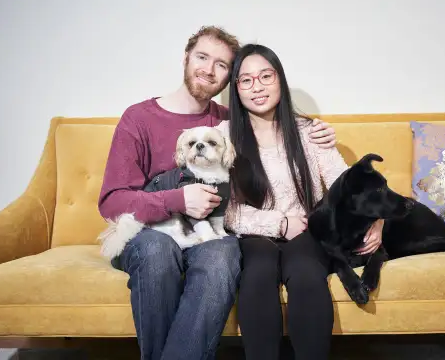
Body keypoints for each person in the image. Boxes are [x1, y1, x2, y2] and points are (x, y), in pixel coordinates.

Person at [97, 26, 338, 360]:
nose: (209, 70)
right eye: (202, 57)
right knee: (156, 253)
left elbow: (273, 129)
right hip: (151, 232)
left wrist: (318, 130)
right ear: (186, 58)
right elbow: (112, 201)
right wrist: (177, 200)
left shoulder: (228, 125)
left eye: (221, 65)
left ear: (229, 80)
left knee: (222, 255)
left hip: (207, 230)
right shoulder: (138, 118)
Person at [219, 43, 385, 360]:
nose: (257, 87)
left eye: (265, 76)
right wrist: (280, 223)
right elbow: (222, 210)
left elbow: (344, 183)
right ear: (236, 89)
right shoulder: (222, 135)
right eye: (246, 80)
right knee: (259, 270)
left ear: (280, 79)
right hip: (252, 235)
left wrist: (376, 218)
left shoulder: (309, 131)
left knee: (306, 271)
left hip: (306, 231)